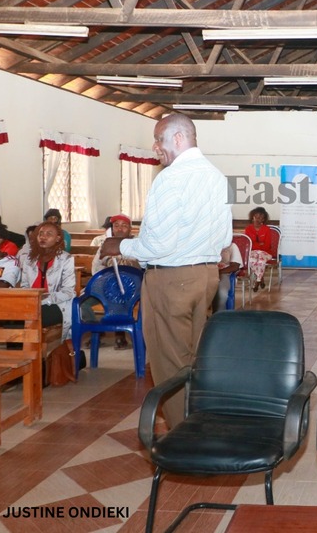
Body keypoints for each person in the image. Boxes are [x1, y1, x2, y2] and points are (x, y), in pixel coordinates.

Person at [100, 113, 232, 428]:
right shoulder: (217, 176)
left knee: (169, 361)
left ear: (177, 138)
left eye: (158, 139)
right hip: (205, 277)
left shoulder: (170, 178)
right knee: (194, 355)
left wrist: (120, 247)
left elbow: (157, 244)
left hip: (171, 280)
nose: (155, 146)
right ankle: (197, 416)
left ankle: (181, 435)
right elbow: (225, 238)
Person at [90, 214, 141, 350]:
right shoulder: (105, 244)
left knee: (121, 297)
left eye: (124, 226)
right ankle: (96, 332)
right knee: (81, 303)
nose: (120, 229)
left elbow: (141, 267)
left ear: (130, 229)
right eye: (116, 226)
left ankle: (121, 335)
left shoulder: (137, 244)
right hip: (107, 286)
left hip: (132, 288)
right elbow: (96, 268)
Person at [19, 222, 76, 339]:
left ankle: (35, 354)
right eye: (40, 234)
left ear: (57, 238)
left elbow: (68, 292)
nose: (43, 237)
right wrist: (32, 299)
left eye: (49, 234)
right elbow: (24, 286)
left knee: (32, 317)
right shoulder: (29, 259)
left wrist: (44, 299)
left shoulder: (66, 259)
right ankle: (21, 354)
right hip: (31, 303)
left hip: (57, 304)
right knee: (12, 318)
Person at [244, 207, 273, 292]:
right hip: (253, 252)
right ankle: (261, 278)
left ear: (263, 219)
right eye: (256, 217)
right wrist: (259, 244)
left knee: (260, 261)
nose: (257, 219)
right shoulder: (248, 229)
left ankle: (257, 281)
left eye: (260, 217)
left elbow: (267, 245)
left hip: (265, 252)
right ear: (252, 217)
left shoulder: (267, 229)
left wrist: (257, 246)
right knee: (252, 259)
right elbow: (249, 244)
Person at [213, 240, 242, 313]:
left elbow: (235, 266)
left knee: (222, 294)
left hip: (223, 273)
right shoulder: (207, 244)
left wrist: (218, 272)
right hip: (206, 272)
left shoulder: (231, 246)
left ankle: (218, 315)